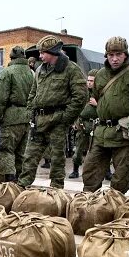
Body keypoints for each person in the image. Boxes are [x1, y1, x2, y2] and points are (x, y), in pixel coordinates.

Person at [79, 37, 129, 193]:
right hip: (102, 132)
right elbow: (97, 97)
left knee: (120, 176)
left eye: (118, 54)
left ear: (125, 55)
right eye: (111, 55)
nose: (114, 59)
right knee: (90, 170)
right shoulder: (100, 75)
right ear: (106, 56)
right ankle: (88, 206)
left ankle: (115, 205)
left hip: (124, 133)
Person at [18, 35, 87, 189]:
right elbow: (33, 93)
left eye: (43, 53)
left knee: (57, 159)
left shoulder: (71, 69)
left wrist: (66, 118)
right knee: (30, 156)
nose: (40, 56)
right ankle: (22, 185)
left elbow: (81, 97)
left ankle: (56, 189)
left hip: (58, 120)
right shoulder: (39, 69)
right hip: (39, 120)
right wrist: (31, 112)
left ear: (54, 52)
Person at [0, 46, 33, 182]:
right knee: (21, 153)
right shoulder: (31, 73)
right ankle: (20, 184)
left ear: (11, 57)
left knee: (6, 151)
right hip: (26, 117)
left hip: (11, 117)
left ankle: (8, 183)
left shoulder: (7, 72)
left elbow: (0, 99)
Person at [69, 70, 97, 179]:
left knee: (99, 150)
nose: (89, 83)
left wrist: (97, 104)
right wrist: (74, 122)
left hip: (96, 125)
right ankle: (75, 170)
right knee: (78, 148)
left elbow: (108, 109)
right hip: (82, 124)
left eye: (92, 81)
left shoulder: (101, 93)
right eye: (88, 80)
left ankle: (106, 171)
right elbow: (74, 107)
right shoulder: (82, 93)